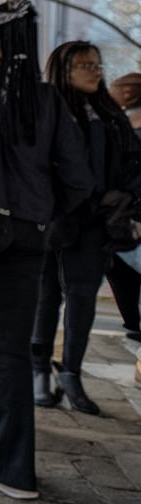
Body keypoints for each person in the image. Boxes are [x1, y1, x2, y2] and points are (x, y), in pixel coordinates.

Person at [0, 0, 89, 499]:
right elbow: (79, 176)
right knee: (11, 344)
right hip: (30, 233)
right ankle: (7, 466)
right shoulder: (49, 97)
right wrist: (46, 210)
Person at [34, 41, 141, 413]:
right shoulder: (45, 106)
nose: (95, 71)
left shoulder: (108, 113)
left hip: (95, 219)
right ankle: (38, 373)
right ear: (64, 68)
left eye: (97, 65)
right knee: (47, 296)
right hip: (53, 218)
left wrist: (125, 197)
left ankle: (71, 373)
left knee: (82, 297)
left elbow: (131, 161)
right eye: (85, 65)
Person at [107, 71, 141, 339]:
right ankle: (133, 322)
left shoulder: (126, 125)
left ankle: (134, 322)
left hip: (130, 213)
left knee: (120, 267)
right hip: (125, 214)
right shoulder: (121, 123)